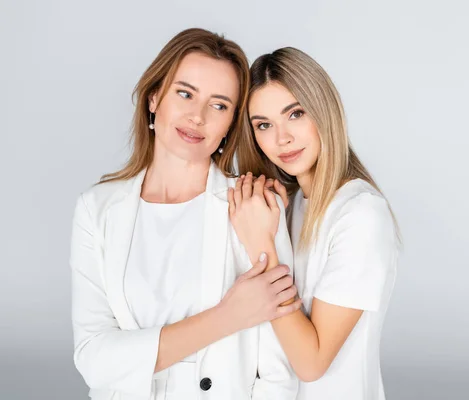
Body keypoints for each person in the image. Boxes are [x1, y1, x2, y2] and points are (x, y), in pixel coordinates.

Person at [69, 29, 301, 400]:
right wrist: (229, 316)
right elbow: (93, 360)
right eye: (185, 93)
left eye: (219, 105)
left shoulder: (252, 203)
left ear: (230, 125)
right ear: (154, 97)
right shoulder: (97, 210)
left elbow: (279, 372)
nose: (197, 116)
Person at [229, 47, 401, 399]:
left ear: (324, 110)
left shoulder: (361, 215)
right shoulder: (287, 207)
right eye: (264, 125)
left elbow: (312, 362)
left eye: (295, 114)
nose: (282, 138)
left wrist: (262, 249)